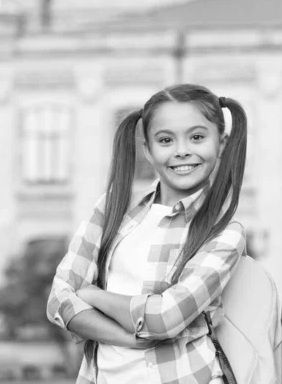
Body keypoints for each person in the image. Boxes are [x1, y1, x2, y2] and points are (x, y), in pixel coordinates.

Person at [47, 84, 248, 384]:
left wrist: (91, 295)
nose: (182, 150)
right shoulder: (113, 208)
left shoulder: (224, 232)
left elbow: (166, 318)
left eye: (197, 137)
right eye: (165, 140)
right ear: (148, 150)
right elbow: (58, 300)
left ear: (221, 143)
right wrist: (128, 338)